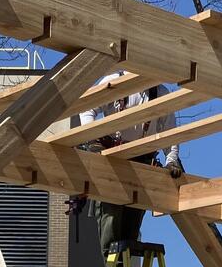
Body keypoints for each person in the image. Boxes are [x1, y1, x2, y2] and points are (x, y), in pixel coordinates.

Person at [67, 78, 184, 255]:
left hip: (141, 162)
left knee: (133, 217)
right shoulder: (116, 81)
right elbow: (88, 107)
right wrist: (92, 138)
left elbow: (169, 132)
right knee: (111, 216)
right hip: (113, 159)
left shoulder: (159, 93)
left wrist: (171, 160)